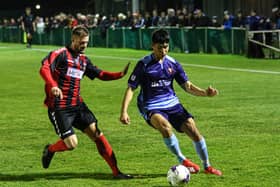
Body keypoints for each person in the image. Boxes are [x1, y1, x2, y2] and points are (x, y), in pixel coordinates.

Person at [120, 29, 222, 176]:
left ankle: (207, 166)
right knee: (165, 127)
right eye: (160, 47)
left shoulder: (173, 64)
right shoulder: (143, 65)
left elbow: (187, 86)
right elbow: (131, 88)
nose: (163, 50)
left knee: (193, 130)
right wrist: (124, 111)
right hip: (151, 105)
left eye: (166, 47)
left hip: (172, 104)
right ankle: (183, 160)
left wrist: (205, 93)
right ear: (153, 46)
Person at [40, 25, 132, 179]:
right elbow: (44, 69)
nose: (84, 46)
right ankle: (50, 150)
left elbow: (100, 74)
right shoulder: (60, 54)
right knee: (71, 144)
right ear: (73, 39)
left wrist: (119, 75)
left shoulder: (83, 60)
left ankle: (117, 172)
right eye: (81, 43)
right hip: (60, 108)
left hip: (78, 106)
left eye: (86, 43)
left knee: (98, 135)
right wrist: (53, 86)